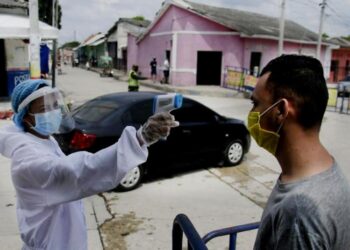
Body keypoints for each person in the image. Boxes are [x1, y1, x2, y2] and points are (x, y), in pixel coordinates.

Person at [0, 79, 179, 250]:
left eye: (55, 105)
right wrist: (140, 139)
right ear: (25, 117)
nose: (54, 112)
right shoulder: (26, 162)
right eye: (45, 108)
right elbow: (76, 172)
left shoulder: (43, 139)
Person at [250, 54, 350, 249]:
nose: (252, 114)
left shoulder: (298, 213)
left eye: (255, 104)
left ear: (280, 110)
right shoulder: (327, 171)